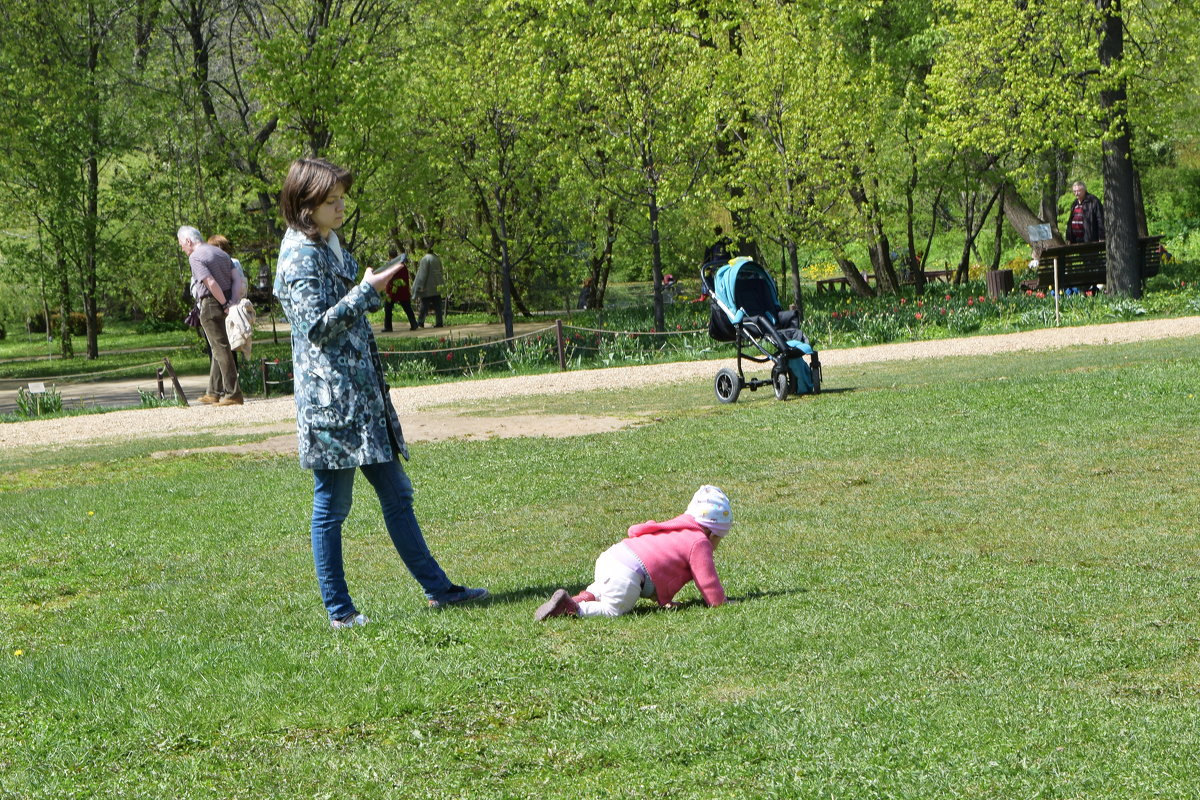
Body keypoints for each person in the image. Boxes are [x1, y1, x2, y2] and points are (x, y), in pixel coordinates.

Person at [273, 157, 487, 629]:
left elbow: (344, 289)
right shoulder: (299, 257)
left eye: (341, 198)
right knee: (331, 506)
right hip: (332, 405)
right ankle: (340, 613)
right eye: (331, 201)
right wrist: (367, 292)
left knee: (397, 493)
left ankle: (440, 591)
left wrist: (367, 280)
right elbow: (315, 328)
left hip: (359, 399)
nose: (341, 207)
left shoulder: (325, 242)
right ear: (305, 206)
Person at [534, 485, 732, 620]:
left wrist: (663, 600)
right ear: (712, 533)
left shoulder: (675, 527)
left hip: (613, 556)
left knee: (601, 589)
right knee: (613, 609)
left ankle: (578, 598)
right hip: (629, 572)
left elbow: (658, 563)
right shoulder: (699, 542)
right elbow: (707, 581)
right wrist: (718, 602)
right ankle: (573, 609)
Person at [177, 225, 242, 405]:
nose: (182, 248)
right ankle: (213, 392)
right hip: (228, 300)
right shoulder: (221, 254)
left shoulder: (196, 257)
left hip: (211, 304)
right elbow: (237, 280)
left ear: (188, 241)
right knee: (217, 347)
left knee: (221, 348)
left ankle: (233, 393)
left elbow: (210, 282)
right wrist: (232, 302)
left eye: (182, 244)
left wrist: (222, 303)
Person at [381, 252, 418, 332]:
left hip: (393, 291)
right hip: (403, 290)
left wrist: (387, 290)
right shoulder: (403, 266)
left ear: (390, 257)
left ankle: (388, 327)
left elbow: (389, 278)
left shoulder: (393, 267)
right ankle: (414, 324)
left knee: (388, 308)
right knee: (407, 308)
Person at [413, 250, 445, 328]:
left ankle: (420, 322)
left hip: (427, 286)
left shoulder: (425, 259)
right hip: (437, 285)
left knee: (424, 305)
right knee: (438, 306)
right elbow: (441, 271)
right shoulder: (437, 259)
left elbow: (423, 273)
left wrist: (420, 286)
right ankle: (439, 322)